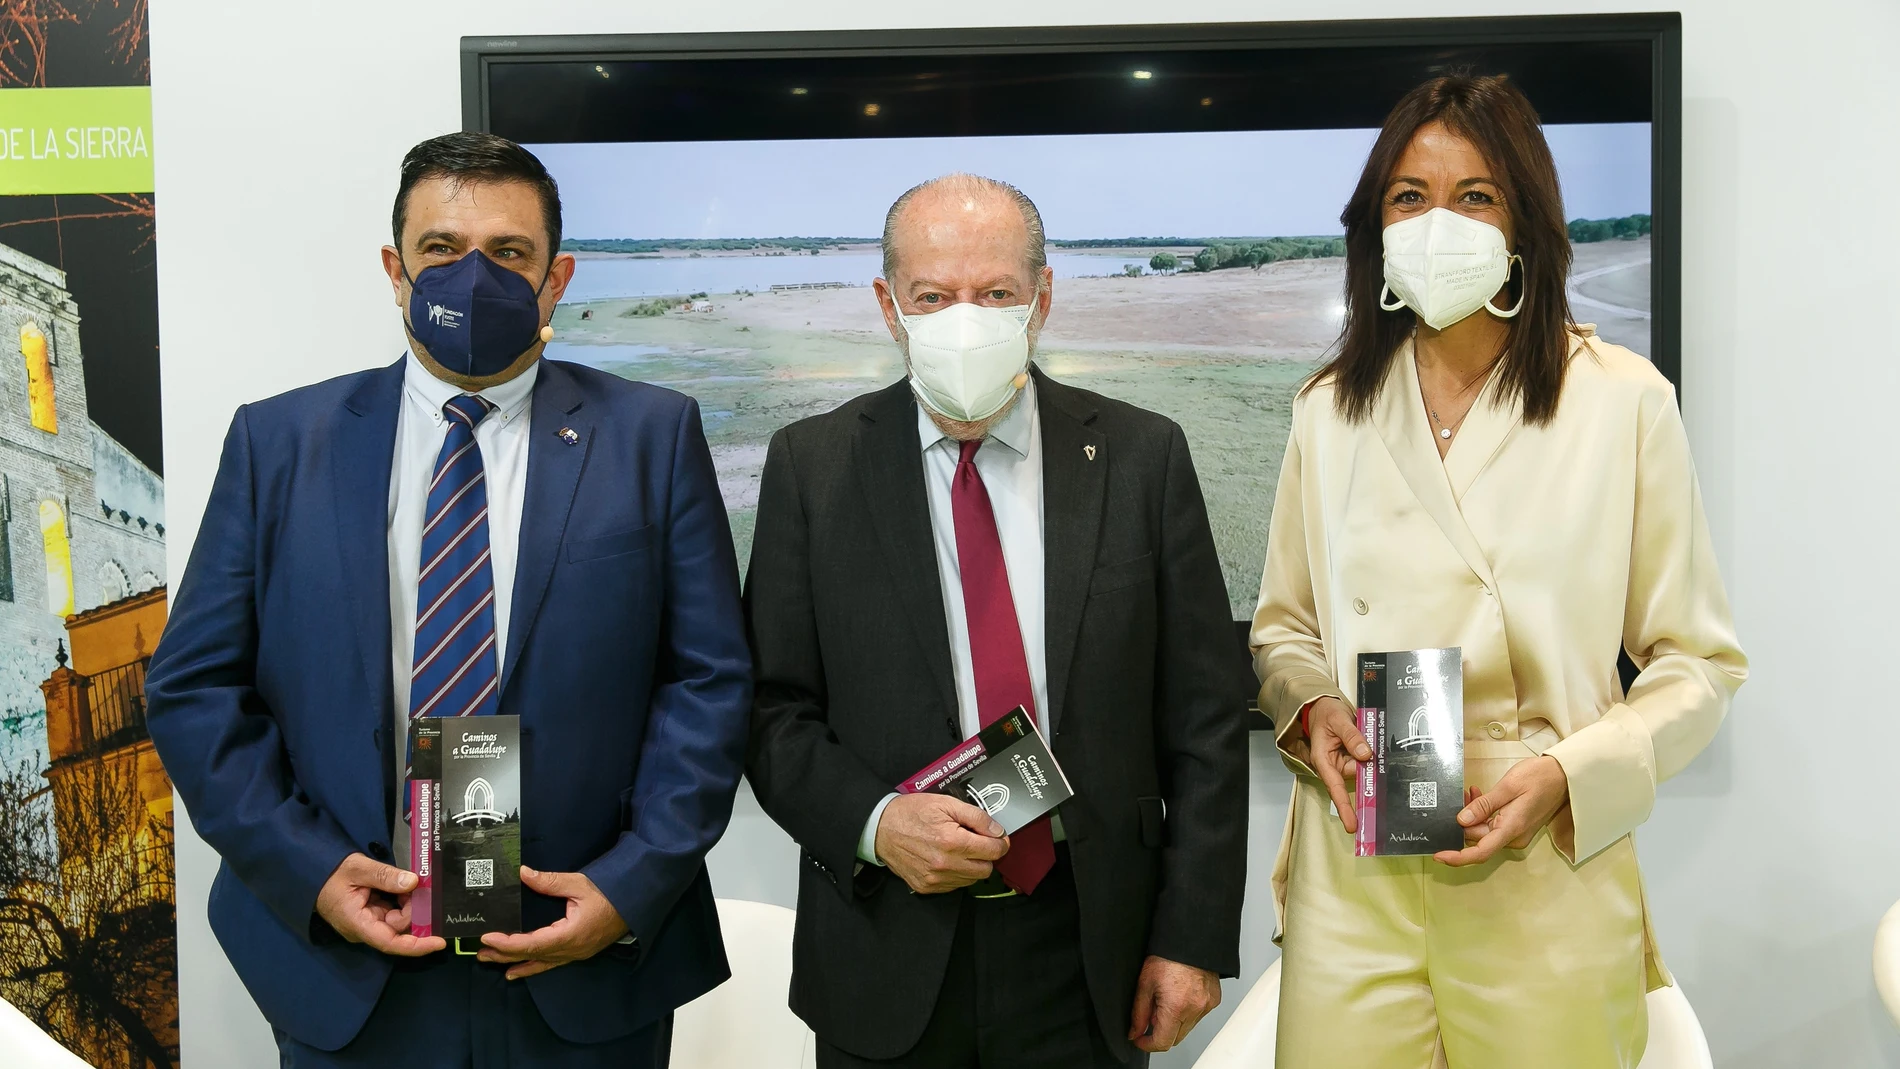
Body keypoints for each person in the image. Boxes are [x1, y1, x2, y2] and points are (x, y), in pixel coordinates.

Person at [145, 132, 752, 1067]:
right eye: (441, 251)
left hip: (579, 956)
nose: (473, 277)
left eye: (509, 254)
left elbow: (708, 681)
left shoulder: (653, 435)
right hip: (353, 958)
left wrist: (632, 884)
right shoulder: (279, 443)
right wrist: (309, 872)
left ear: (557, 279)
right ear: (396, 270)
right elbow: (194, 688)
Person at [1251, 74, 1747, 1068]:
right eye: (1408, 197)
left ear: (1525, 222)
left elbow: (1697, 663)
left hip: (1542, 867)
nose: (1439, 222)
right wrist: (1311, 712)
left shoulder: (1619, 402)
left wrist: (1568, 774)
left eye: (1474, 195)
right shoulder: (1329, 407)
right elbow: (1285, 628)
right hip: (1358, 876)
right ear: (1374, 229)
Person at [744, 173, 1252, 1068]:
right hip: (886, 939)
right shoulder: (811, 467)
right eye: (932, 296)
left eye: (996, 293)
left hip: (1091, 942)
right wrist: (872, 820)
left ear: (1042, 298)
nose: (963, 318)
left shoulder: (1143, 456)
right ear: (887, 303)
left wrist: (1195, 933)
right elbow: (771, 708)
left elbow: (1206, 720)